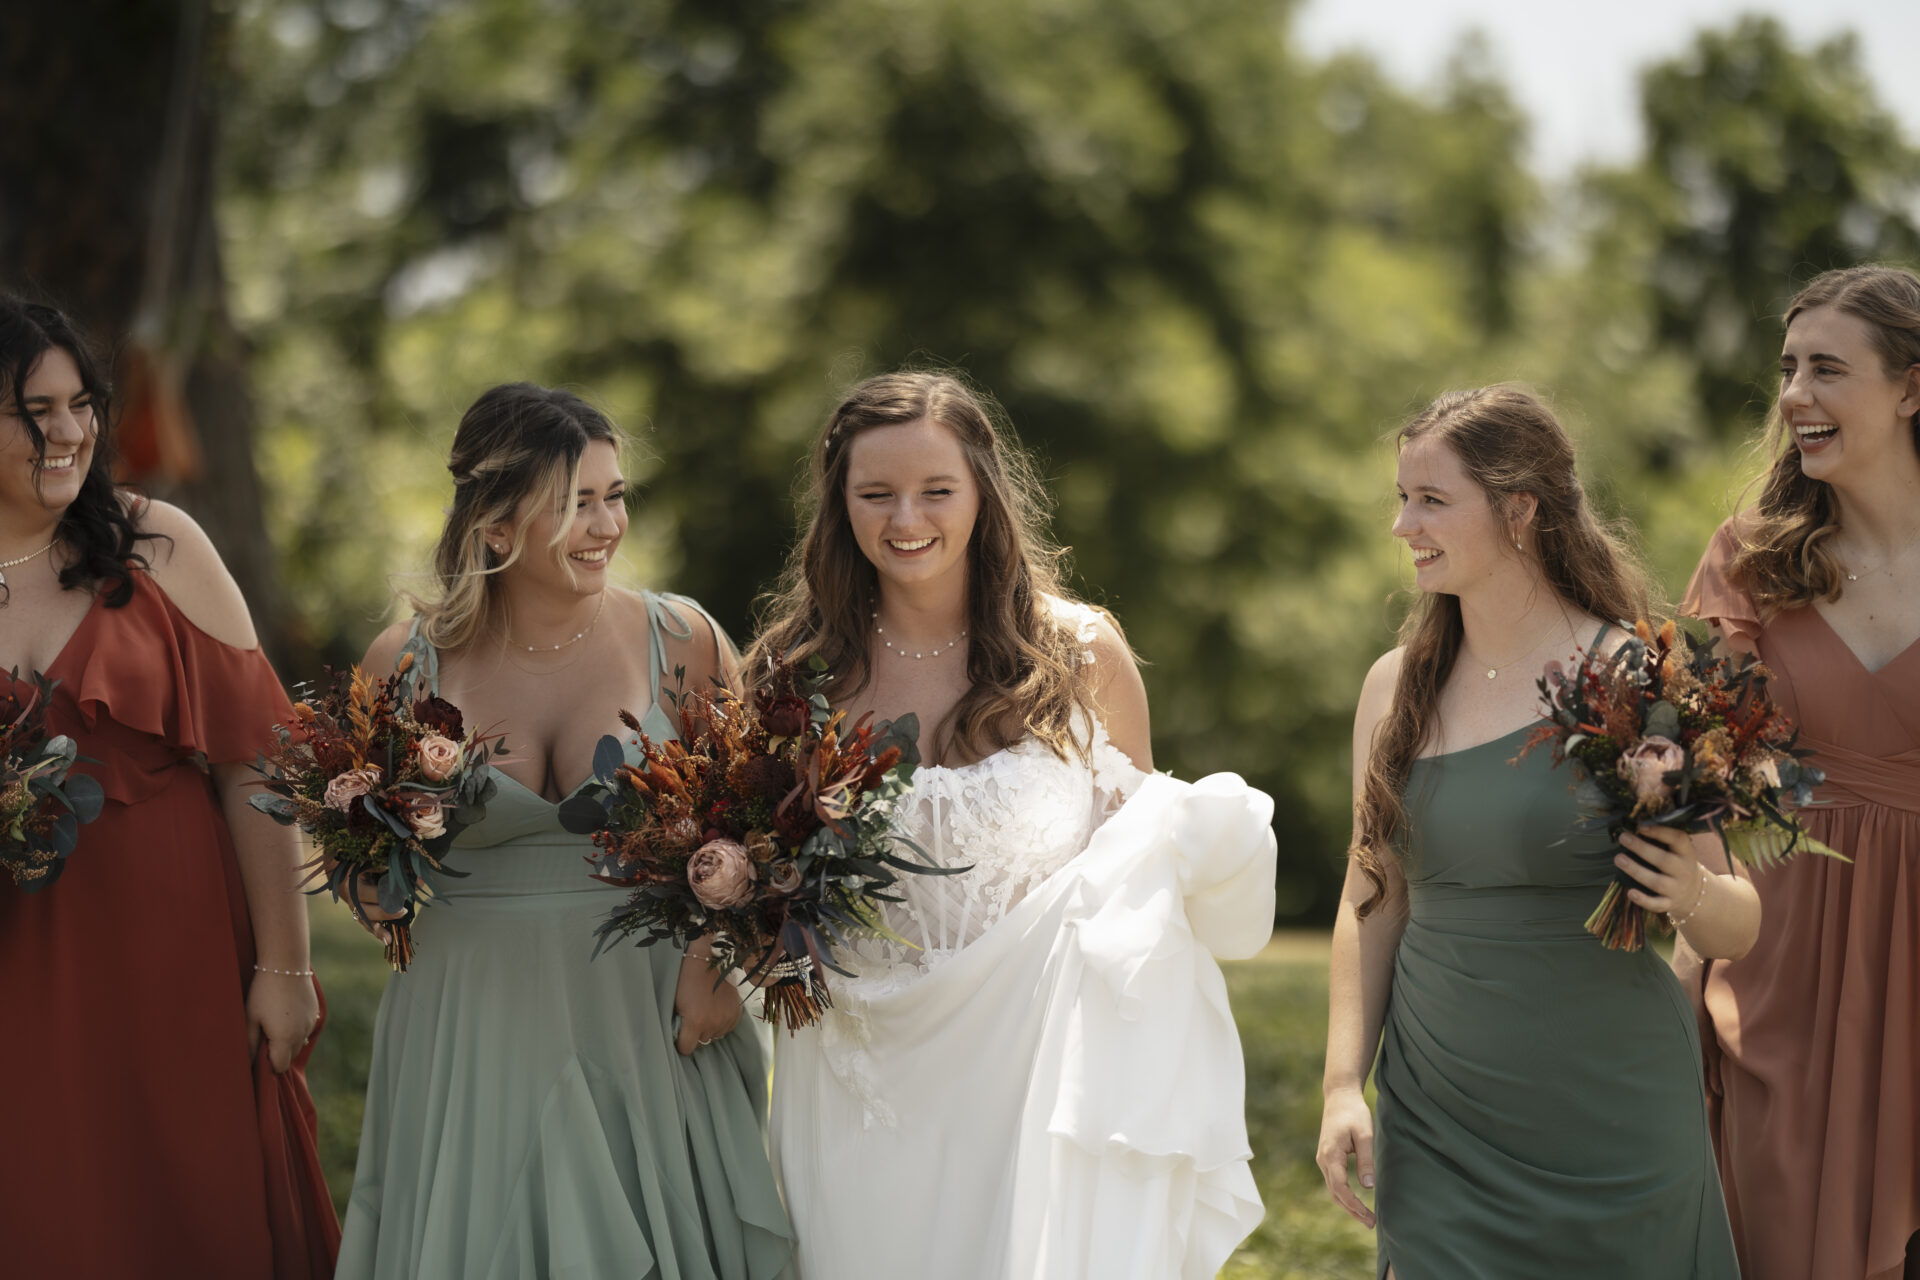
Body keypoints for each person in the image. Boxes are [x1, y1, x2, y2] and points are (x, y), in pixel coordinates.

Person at [754, 371, 1273, 1280]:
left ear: (983, 493)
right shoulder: (796, 678)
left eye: (936, 490)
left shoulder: (1078, 654)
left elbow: (1139, 871)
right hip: (854, 1080)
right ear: (840, 506)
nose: (905, 517)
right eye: (875, 493)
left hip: (1036, 1077)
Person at [336, 382, 791, 1280]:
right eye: (575, 502)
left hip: (644, 1015)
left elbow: (760, 828)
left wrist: (713, 962)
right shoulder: (402, 662)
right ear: (496, 526)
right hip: (469, 1022)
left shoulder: (684, 642)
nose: (605, 525)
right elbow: (361, 858)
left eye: (614, 495)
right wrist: (365, 878)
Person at [1315, 385, 1750, 1279]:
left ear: (1520, 512)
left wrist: (1692, 892)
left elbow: (1738, 924)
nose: (1404, 526)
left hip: (1613, 1120)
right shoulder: (1393, 689)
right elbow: (1372, 900)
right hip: (1439, 1119)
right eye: (1402, 498)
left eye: (1432, 500)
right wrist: (1338, 1088)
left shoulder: (1640, 676)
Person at [0, 295, 337, 1276]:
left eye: (81, 402)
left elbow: (256, 760)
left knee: (190, 1195)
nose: (68, 431)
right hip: (18, 963)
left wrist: (284, 965)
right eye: (35, 409)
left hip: (175, 948)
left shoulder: (162, 543)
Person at [1678, 264, 1920, 1280]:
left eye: (1827, 370)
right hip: (1782, 957)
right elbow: (1680, 765)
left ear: (1911, 386)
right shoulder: (1748, 560)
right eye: (1787, 370)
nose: (1793, 398)